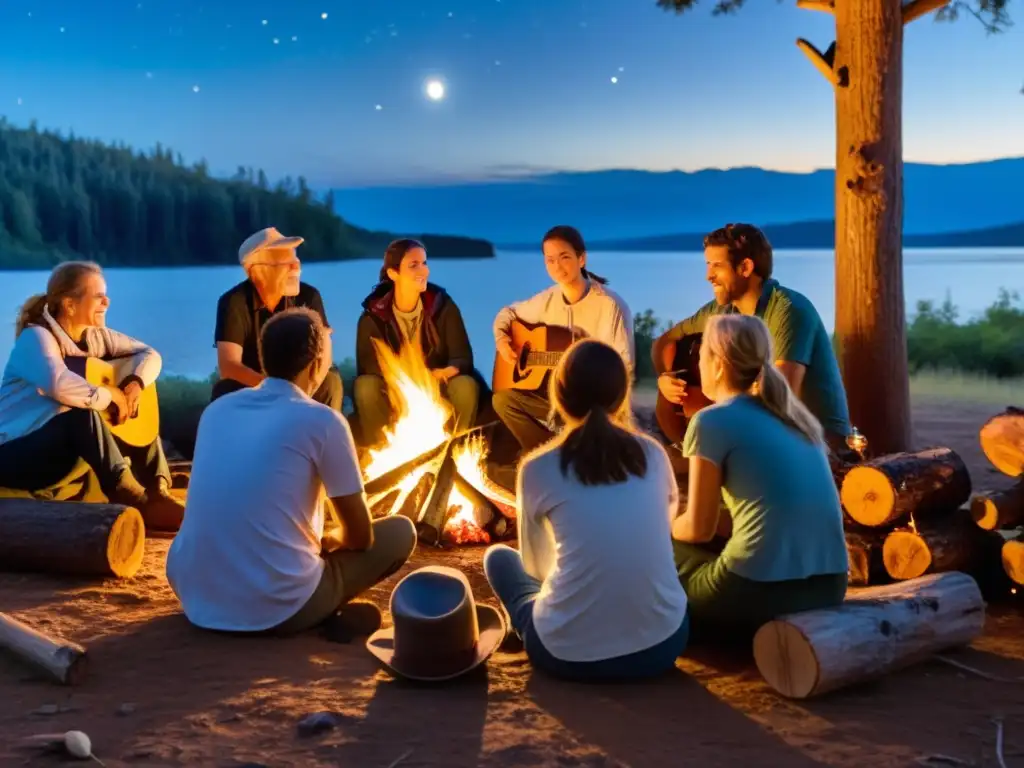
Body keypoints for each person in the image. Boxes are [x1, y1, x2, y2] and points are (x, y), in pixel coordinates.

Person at [167, 307, 417, 636]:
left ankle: (323, 607)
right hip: (276, 607)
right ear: (316, 365)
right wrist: (332, 538)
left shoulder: (218, 411)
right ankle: (322, 611)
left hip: (196, 594)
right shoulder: (323, 421)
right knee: (400, 532)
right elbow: (361, 537)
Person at [483, 339, 689, 682]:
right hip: (664, 644)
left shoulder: (537, 468)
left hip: (567, 654)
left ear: (559, 396)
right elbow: (662, 529)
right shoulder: (653, 454)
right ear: (621, 395)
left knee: (498, 559)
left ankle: (527, 627)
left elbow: (535, 568)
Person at [671, 314, 848, 640]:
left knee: (660, 544)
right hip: (830, 587)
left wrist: (667, 520)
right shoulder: (797, 420)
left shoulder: (711, 421)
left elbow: (698, 528)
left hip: (757, 593)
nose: (697, 363)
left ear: (719, 364)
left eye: (700, 355)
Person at [0, 261, 184, 530]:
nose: (107, 302)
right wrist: (109, 394)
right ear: (69, 305)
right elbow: (59, 384)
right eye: (98, 296)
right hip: (15, 454)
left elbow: (150, 355)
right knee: (80, 417)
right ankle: (130, 495)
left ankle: (158, 491)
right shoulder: (36, 338)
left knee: (140, 418)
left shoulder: (96, 338)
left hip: (61, 453)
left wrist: (133, 385)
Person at [652, 223, 851, 453]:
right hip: (760, 431)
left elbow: (777, 398)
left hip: (813, 441)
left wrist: (715, 398)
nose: (709, 276)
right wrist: (666, 377)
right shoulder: (722, 310)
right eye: (708, 265)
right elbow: (664, 342)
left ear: (745, 267)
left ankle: (695, 460)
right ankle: (685, 452)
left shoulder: (789, 309)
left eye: (717, 265)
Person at [492, 225, 634, 455]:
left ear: (582, 259)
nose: (557, 266)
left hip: (597, 407)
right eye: (550, 260)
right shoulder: (547, 300)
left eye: (564, 257)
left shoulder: (610, 306)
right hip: (558, 402)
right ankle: (550, 454)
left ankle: (569, 453)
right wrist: (502, 341)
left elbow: (624, 366)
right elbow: (507, 313)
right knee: (502, 401)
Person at [353, 239, 481, 447]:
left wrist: (445, 372)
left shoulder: (442, 306)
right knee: (365, 387)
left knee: (465, 386)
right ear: (394, 273)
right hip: (394, 389)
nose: (423, 271)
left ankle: (454, 453)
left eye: (424, 263)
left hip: (437, 385)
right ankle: (378, 455)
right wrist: (407, 382)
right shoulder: (373, 315)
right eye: (414, 265)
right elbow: (368, 368)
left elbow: (463, 357)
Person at [211, 227, 343, 409]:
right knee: (224, 390)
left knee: (331, 382)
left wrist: (300, 393)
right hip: (256, 384)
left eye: (296, 261)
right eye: (286, 264)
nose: (296, 268)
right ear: (256, 272)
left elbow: (324, 353)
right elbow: (229, 366)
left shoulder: (308, 296)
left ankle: (323, 435)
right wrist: (276, 390)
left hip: (305, 384)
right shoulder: (234, 302)